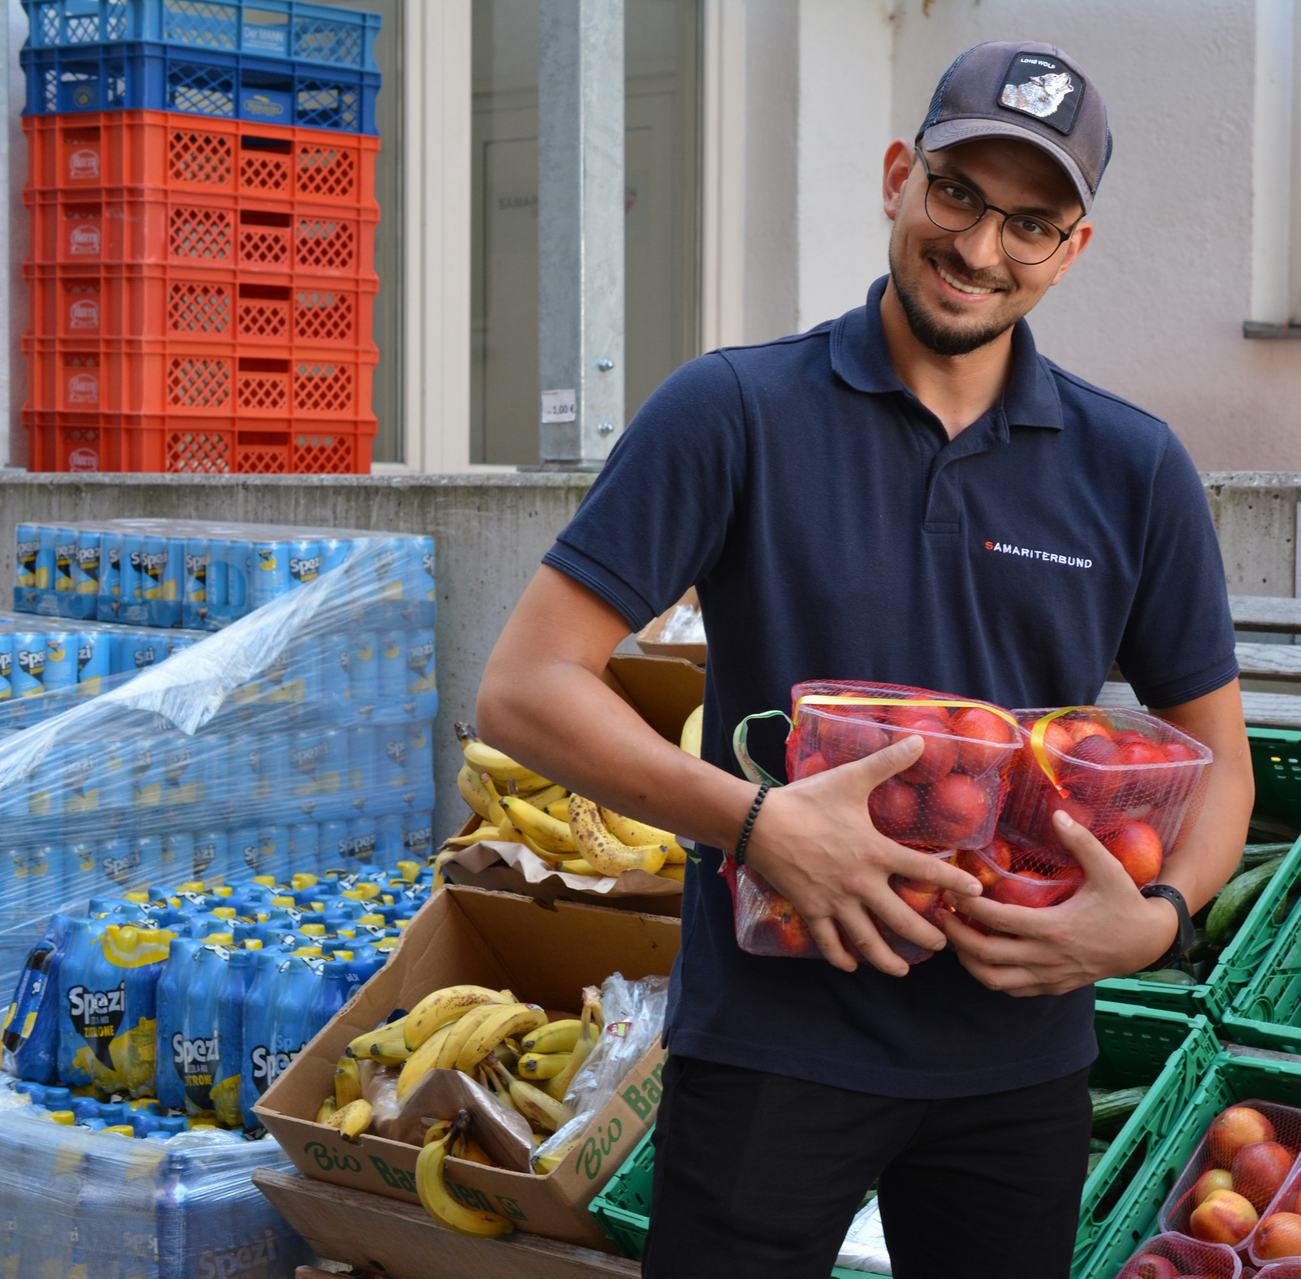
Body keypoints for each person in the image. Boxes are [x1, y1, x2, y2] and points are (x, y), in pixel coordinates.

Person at [476, 40, 1254, 1279]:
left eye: (1033, 222)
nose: (983, 248)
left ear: (1073, 250)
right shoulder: (733, 412)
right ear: (901, 175)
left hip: (1019, 1058)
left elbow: (1218, 757)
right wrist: (759, 823)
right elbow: (525, 685)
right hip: (775, 1047)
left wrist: (1153, 924)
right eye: (958, 193)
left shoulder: (1133, 467)